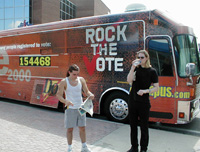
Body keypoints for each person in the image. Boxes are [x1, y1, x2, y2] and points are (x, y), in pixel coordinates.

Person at [56, 64, 94, 152]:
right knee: (70, 129)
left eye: (77, 74)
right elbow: (58, 95)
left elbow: (86, 91)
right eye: (74, 74)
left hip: (81, 108)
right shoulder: (64, 82)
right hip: (70, 109)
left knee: (82, 128)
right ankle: (69, 148)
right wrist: (66, 101)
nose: (76, 76)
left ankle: (84, 147)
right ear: (69, 72)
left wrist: (90, 94)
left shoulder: (81, 80)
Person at [127, 50, 159, 152]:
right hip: (133, 100)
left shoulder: (152, 71)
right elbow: (129, 81)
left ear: (146, 58)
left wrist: (145, 91)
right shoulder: (136, 69)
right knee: (133, 126)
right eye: (138, 57)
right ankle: (134, 147)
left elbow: (156, 88)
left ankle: (143, 149)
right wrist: (132, 68)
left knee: (144, 127)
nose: (140, 59)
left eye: (142, 57)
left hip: (144, 102)